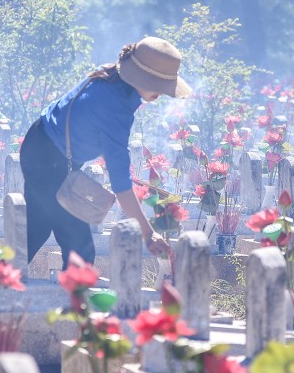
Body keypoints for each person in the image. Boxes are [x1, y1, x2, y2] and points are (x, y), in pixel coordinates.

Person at [20, 36, 192, 268]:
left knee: (35, 231)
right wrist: (148, 233)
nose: (161, 92)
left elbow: (88, 125)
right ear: (139, 76)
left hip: (40, 142)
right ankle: (71, 302)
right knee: (80, 251)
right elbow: (120, 183)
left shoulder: (110, 75)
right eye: (156, 84)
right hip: (48, 161)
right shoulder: (116, 107)